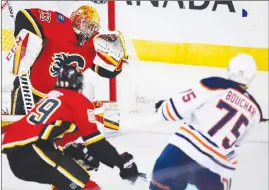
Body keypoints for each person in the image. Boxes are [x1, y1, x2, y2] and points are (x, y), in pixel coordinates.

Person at [2, 63, 139, 190]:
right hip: (32, 151)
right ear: (79, 82)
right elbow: (96, 144)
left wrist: (71, 150)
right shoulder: (78, 101)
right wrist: (120, 162)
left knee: (66, 182)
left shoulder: (52, 96)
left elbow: (49, 132)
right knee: (87, 187)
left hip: (20, 156)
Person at [150, 53, 264, 190]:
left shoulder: (215, 84)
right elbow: (237, 142)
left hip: (181, 154)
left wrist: (163, 106)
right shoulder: (256, 112)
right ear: (252, 77)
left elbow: (172, 110)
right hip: (216, 169)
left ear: (229, 69)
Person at [10, 4, 127, 120]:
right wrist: (22, 41)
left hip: (57, 102)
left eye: (92, 28)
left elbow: (106, 72)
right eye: (86, 26)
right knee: (19, 132)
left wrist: (117, 63)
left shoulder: (93, 44)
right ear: (77, 21)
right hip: (28, 91)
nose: (89, 31)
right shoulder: (59, 24)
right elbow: (24, 16)